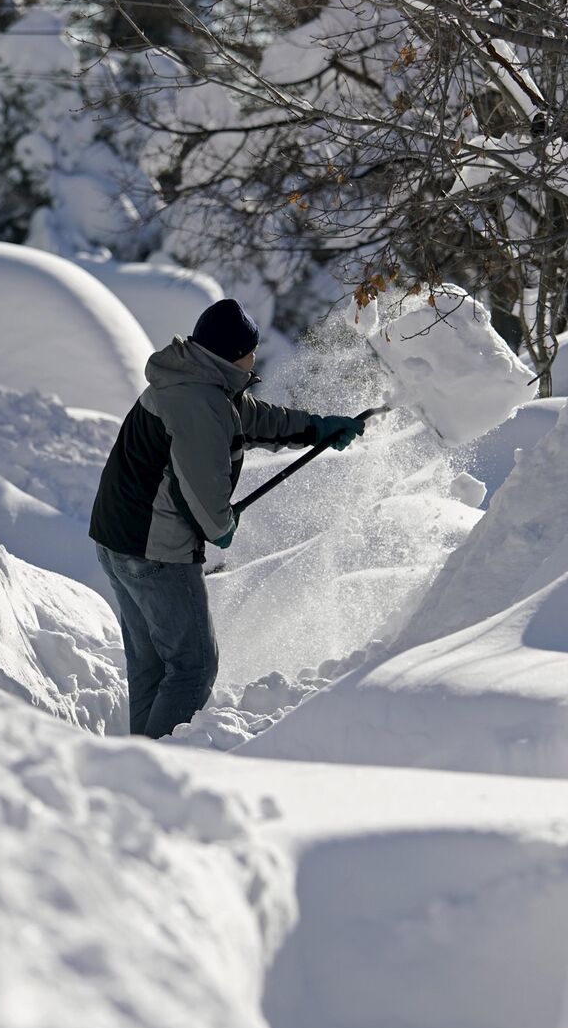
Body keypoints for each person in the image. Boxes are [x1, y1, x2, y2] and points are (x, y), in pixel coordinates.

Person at [90, 298, 367, 738]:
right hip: (153, 550)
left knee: (153, 666)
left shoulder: (194, 379)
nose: (254, 357)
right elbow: (202, 486)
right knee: (192, 667)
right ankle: (157, 770)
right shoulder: (198, 401)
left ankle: (135, 760)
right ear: (238, 353)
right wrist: (220, 526)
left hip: (118, 540)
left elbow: (248, 418)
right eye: (251, 350)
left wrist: (315, 428)